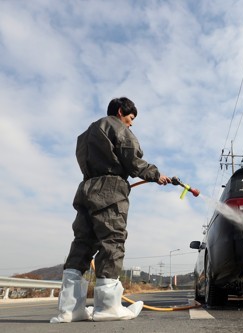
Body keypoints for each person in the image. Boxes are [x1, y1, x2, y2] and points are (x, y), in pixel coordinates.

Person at [50, 97, 171, 323]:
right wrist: (156, 175)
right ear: (120, 111)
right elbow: (132, 159)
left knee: (82, 243)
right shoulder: (116, 126)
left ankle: (69, 310)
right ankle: (107, 307)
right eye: (131, 118)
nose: (131, 123)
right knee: (112, 241)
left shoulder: (85, 135)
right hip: (110, 190)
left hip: (87, 188)